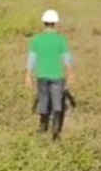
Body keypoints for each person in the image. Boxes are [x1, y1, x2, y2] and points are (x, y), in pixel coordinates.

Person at [26, 9, 74, 140]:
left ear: (43, 22)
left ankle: (42, 127)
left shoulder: (37, 40)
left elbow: (32, 59)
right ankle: (56, 131)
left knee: (43, 101)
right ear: (55, 23)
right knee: (57, 103)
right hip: (57, 76)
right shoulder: (61, 40)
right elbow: (67, 58)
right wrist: (70, 73)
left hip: (42, 75)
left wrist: (28, 75)